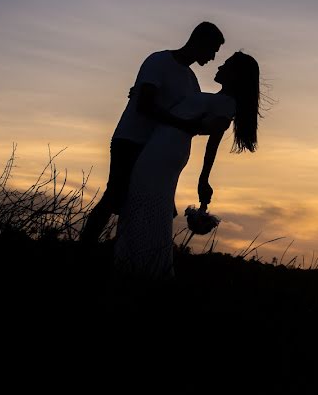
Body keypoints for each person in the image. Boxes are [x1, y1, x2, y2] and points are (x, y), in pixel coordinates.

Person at [112, 51, 260, 281]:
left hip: (167, 148)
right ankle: (139, 264)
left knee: (145, 200)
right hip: (163, 144)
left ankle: (142, 266)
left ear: (236, 75)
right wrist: (144, 96)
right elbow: (177, 110)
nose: (220, 66)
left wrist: (204, 178)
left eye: (227, 64)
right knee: (146, 200)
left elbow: (212, 138)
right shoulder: (212, 97)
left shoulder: (226, 103)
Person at [79, 21, 226, 246]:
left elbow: (190, 121)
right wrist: (182, 124)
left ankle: (132, 254)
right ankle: (84, 250)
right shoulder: (159, 61)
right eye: (213, 50)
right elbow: (145, 105)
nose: (214, 57)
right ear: (200, 41)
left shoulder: (191, 81)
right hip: (131, 139)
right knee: (115, 196)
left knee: (152, 206)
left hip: (154, 150)